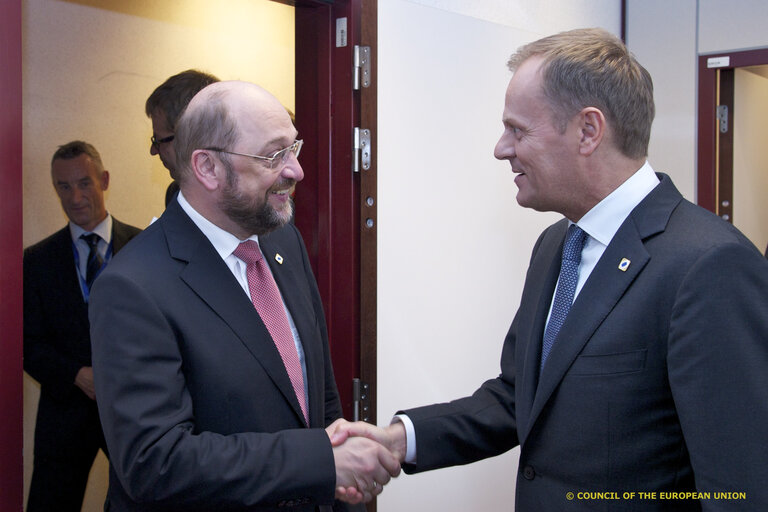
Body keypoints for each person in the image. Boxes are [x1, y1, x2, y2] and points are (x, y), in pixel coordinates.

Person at [332, 28, 768, 510]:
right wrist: (398, 439)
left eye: (518, 130)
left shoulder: (708, 266)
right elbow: (519, 398)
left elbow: (741, 485)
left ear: (587, 130)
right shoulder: (556, 244)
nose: (502, 148)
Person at [89, 80, 399, 511]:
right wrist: (321, 462)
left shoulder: (282, 240)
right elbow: (154, 462)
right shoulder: (133, 286)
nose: (296, 171)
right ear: (208, 168)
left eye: (295, 148)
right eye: (274, 155)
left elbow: (318, 395)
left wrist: (337, 486)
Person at [23, 141, 142, 512]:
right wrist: (77, 375)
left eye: (84, 183)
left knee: (146, 500)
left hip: (134, 408)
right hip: (65, 412)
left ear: (104, 180)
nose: (75, 196)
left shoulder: (145, 248)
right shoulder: (36, 260)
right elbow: (25, 343)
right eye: (64, 186)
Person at [145, 69, 220, 206]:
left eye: (158, 141)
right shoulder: (176, 193)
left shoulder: (254, 198)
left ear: (189, 138)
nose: (153, 151)